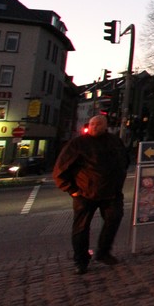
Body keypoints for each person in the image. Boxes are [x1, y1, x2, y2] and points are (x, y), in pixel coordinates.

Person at [52, 114, 129, 275]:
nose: (95, 126)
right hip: (85, 193)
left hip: (111, 192)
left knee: (114, 218)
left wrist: (118, 181)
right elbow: (60, 169)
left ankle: (103, 252)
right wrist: (72, 190)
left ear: (105, 126)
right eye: (93, 124)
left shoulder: (114, 141)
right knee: (81, 228)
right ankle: (81, 260)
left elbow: (124, 160)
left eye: (98, 124)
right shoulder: (78, 144)